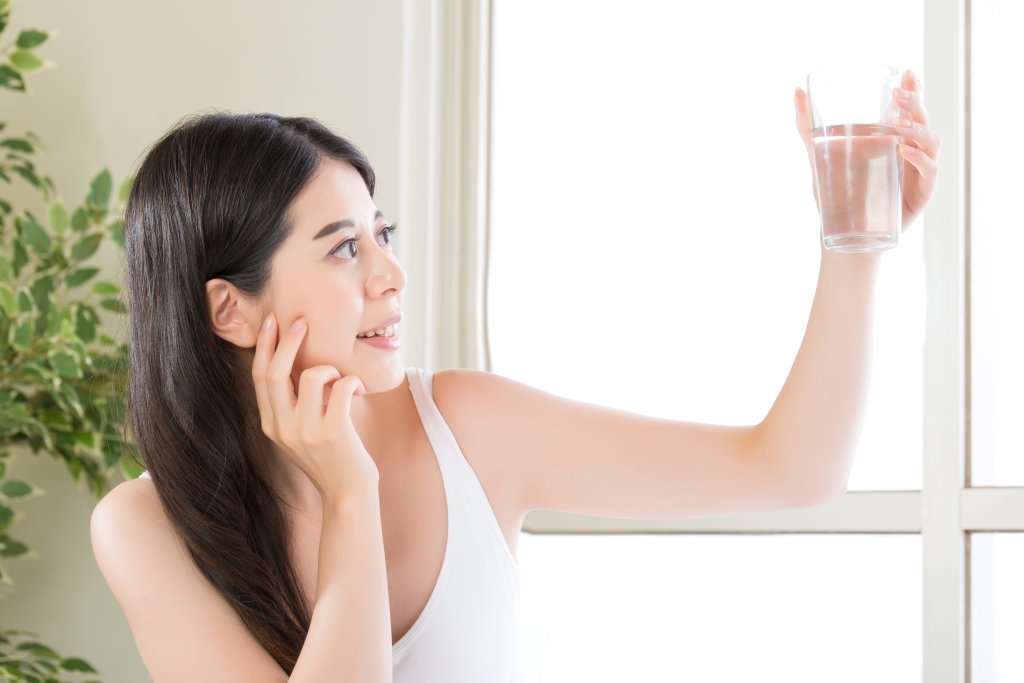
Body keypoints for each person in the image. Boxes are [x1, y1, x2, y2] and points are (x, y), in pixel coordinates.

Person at [90, 71, 940, 683]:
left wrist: (855, 241)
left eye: (384, 235)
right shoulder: (143, 526)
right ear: (229, 310)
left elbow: (792, 469)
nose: (392, 275)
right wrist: (350, 492)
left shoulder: (468, 424)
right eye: (346, 247)